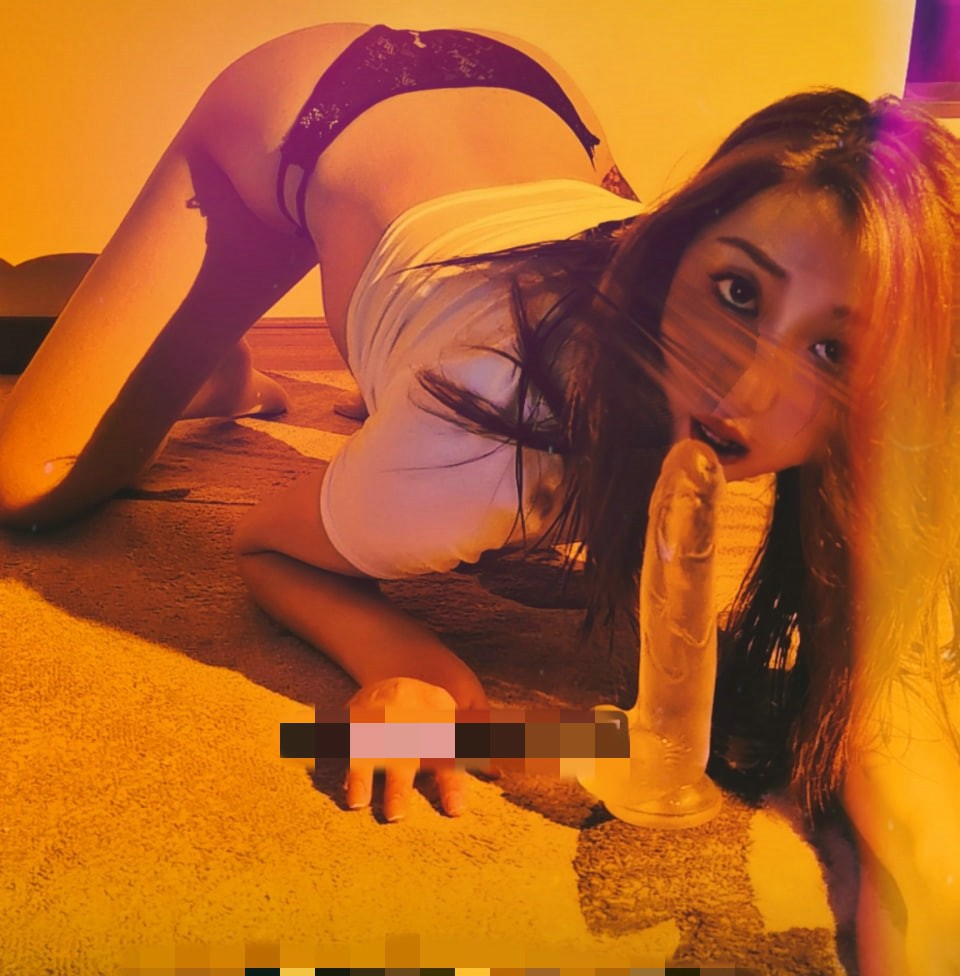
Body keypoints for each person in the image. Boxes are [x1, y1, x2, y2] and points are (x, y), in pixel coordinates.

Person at [0, 23, 958, 974]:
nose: (744, 389)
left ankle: (246, 356)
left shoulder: (872, 442)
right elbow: (266, 540)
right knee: (28, 480)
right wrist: (402, 660)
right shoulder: (479, 453)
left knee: (435, 391)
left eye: (831, 348)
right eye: (739, 294)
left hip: (539, 108)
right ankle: (212, 366)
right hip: (308, 109)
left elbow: (900, 754)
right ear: (673, 252)